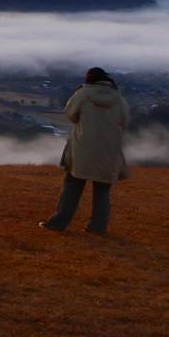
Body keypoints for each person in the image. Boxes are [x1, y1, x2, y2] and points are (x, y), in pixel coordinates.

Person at [41, 67, 131, 236]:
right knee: (102, 190)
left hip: (82, 148)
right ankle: (97, 227)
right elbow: (125, 122)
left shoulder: (82, 94)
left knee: (72, 187)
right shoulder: (119, 99)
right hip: (109, 149)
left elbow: (70, 114)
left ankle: (58, 223)